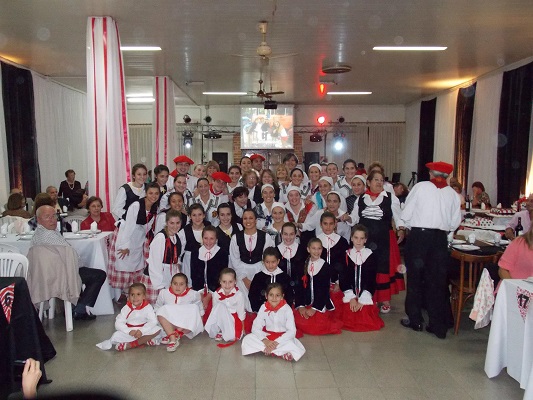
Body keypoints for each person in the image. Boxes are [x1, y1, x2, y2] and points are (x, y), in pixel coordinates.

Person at [401, 161, 461, 339]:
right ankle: (437, 325)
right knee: (437, 282)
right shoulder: (453, 194)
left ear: (432, 174)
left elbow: (407, 212)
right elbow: (454, 222)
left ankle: (415, 320)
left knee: (415, 280)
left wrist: (405, 225)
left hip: (420, 237)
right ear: (447, 176)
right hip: (439, 240)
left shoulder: (420, 187)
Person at [31, 205, 106, 320]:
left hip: (44, 276)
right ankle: (79, 309)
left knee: (80, 271)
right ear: (38, 219)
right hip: (61, 276)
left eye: (54, 216)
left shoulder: (37, 234)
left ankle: (75, 307)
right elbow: (73, 257)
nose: (52, 220)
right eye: (47, 217)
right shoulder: (50, 236)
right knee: (98, 275)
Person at [350, 170, 405, 314]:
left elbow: (398, 217)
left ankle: (385, 300)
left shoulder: (390, 198)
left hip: (383, 238)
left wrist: (401, 229)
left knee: (382, 267)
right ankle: (368, 297)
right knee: (367, 266)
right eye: (376, 180)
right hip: (364, 240)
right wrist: (341, 216)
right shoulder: (361, 198)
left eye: (381, 180)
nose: (379, 182)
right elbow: (354, 218)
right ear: (368, 182)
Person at [107, 183, 160, 300]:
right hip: (126, 236)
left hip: (138, 238)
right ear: (145, 193)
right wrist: (125, 246)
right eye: (151, 193)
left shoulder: (155, 206)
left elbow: (149, 225)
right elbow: (129, 226)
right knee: (125, 266)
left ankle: (132, 296)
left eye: (156, 193)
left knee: (136, 268)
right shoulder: (136, 205)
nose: (154, 196)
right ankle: (124, 295)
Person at [242, 283, 305, 361]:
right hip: (267, 336)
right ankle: (279, 352)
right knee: (247, 339)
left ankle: (269, 349)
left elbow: (292, 331)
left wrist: (276, 342)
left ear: (282, 296)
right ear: (266, 296)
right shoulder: (263, 307)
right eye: (271, 295)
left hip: (282, 338)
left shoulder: (287, 309)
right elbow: (255, 327)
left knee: (291, 344)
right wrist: (265, 341)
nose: (274, 298)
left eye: (277, 295)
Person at [339, 224, 384, 332]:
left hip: (364, 293)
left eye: (361, 238)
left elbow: (371, 278)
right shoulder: (346, 255)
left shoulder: (370, 255)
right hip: (350, 292)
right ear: (351, 238)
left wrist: (363, 298)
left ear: (365, 240)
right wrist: (351, 297)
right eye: (356, 237)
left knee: (365, 319)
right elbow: (343, 277)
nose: (358, 241)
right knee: (347, 317)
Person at [293, 238, 342, 335]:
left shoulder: (325, 266)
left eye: (319, 248)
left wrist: (315, 308)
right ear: (308, 249)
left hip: (319, 302)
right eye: (313, 248)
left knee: (317, 327)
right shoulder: (302, 265)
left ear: (322, 250)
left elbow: (324, 290)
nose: (316, 251)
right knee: (299, 321)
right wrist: (301, 306)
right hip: (305, 301)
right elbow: (299, 287)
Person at [229, 209, 275, 310]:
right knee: (243, 303)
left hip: (260, 270)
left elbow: (267, 259)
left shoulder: (265, 237)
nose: (248, 221)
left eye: (251, 218)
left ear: (256, 220)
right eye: (245, 218)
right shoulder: (236, 237)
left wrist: (256, 280)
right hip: (241, 272)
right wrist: (244, 279)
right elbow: (234, 260)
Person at [96, 283, 160, 351]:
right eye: (132, 295)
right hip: (130, 332)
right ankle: (144, 340)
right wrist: (128, 331)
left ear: (144, 296)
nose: (135, 297)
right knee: (116, 335)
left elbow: (153, 321)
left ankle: (131, 344)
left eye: (138, 294)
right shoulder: (126, 308)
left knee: (157, 329)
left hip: (143, 331)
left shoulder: (148, 307)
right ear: (128, 296)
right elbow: (118, 322)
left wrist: (142, 330)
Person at [141, 209, 184, 304]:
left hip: (169, 274)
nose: (175, 226)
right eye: (172, 223)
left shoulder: (176, 237)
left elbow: (175, 261)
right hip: (156, 278)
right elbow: (155, 263)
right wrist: (159, 285)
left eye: (177, 223)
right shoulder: (161, 238)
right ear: (167, 223)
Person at [154, 273, 204, 352]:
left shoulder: (194, 294)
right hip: (170, 323)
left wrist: (199, 323)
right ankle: (173, 339)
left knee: (194, 308)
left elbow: (200, 310)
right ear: (171, 284)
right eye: (175, 284)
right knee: (161, 310)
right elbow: (157, 308)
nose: (177, 287)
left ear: (186, 285)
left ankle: (176, 333)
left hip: (185, 325)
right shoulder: (164, 293)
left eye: (181, 284)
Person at [190, 225, 229, 320]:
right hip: (199, 289)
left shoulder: (222, 253)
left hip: (216, 289)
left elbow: (221, 276)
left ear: (216, 239)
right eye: (205, 238)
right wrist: (200, 294)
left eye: (212, 238)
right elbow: (194, 275)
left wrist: (209, 295)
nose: (208, 241)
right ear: (202, 238)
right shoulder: (195, 253)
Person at [204, 268, 246, 347]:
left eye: (230, 282)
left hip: (233, 322)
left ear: (235, 281)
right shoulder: (216, 294)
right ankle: (219, 331)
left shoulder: (239, 295)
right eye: (224, 282)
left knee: (220, 306)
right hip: (220, 320)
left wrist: (242, 331)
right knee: (218, 307)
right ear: (220, 281)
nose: (227, 285)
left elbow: (241, 314)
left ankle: (225, 333)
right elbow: (215, 312)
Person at [248, 247, 293, 313]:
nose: (270, 265)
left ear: (278, 261)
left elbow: (289, 295)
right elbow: (253, 295)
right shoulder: (258, 277)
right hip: (263, 312)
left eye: (273, 262)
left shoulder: (285, 277)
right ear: (263, 262)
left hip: (281, 312)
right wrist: (258, 310)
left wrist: (283, 309)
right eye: (267, 262)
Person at [276, 222, 307, 305]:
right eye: (285, 234)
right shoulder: (276, 251)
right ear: (281, 234)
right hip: (281, 291)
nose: (288, 237)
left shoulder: (302, 249)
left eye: (291, 234)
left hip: (300, 290)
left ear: (295, 234)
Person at [181, 203, 209, 283]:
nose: (197, 218)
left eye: (200, 214)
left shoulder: (209, 227)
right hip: (189, 263)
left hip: (206, 261)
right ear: (189, 216)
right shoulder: (185, 231)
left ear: (204, 215)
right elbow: (180, 252)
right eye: (194, 215)